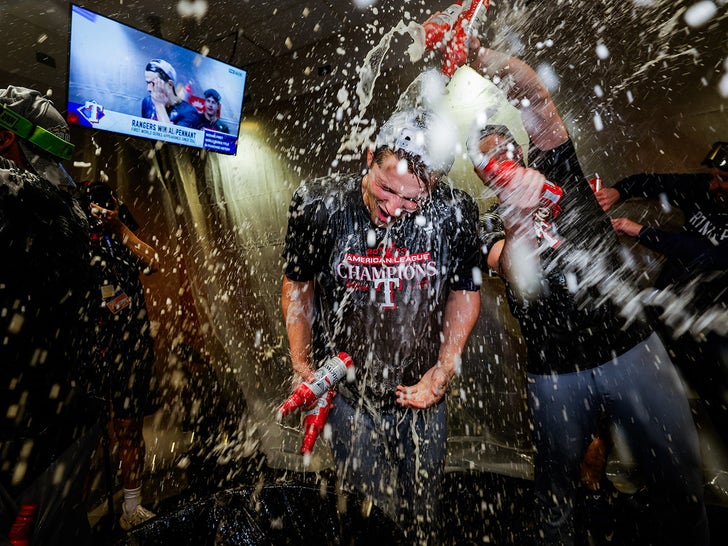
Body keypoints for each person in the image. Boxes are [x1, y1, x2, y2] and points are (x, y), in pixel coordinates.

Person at [468, 49, 709, 545]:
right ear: (482, 176)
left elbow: (532, 92)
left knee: (678, 474)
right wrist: (517, 216)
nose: (500, 164)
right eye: (488, 162)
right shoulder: (486, 224)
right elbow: (518, 274)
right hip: (555, 374)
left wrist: (474, 53)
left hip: (631, 347)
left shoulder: (557, 167)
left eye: (504, 152)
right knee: (556, 489)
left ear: (520, 150)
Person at [281, 108, 481, 544]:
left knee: (423, 515)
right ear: (370, 156)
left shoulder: (454, 211)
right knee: (367, 519)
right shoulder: (319, 204)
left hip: (423, 394)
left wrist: (445, 366)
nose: (392, 209)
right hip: (350, 398)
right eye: (385, 188)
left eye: (411, 200)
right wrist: (301, 364)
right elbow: (297, 286)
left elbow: (465, 290)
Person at [0, 86, 101, 545]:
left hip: (33, 434)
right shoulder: (63, 201)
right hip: (63, 419)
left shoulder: (24, 195)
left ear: (6, 138)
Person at [597, 142, 728, 437]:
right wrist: (621, 190)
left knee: (713, 383)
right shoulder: (704, 188)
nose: (714, 184)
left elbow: (707, 252)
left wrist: (640, 231)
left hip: (713, 315)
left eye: (723, 179)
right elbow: (653, 182)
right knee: (637, 366)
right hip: (670, 299)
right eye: (713, 176)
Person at [79, 180, 160, 531]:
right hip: (90, 347)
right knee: (85, 437)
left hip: (131, 346)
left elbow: (154, 261)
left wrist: (118, 225)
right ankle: (72, 516)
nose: (102, 209)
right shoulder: (74, 228)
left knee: (129, 427)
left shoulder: (119, 229)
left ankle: (131, 506)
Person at [141, 58, 200, 128]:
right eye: (147, 83)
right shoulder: (147, 102)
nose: (148, 89)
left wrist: (159, 105)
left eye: (153, 84)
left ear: (170, 85)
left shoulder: (189, 113)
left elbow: (169, 137)